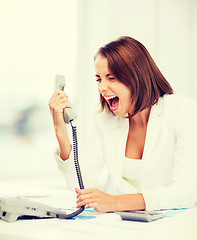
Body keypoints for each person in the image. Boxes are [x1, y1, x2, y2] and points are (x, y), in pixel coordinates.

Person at [49, 36, 197, 213]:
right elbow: (82, 187)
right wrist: (61, 131)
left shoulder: (184, 111)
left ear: (137, 77)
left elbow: (186, 191)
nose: (101, 88)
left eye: (111, 78)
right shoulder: (105, 120)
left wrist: (116, 202)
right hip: (123, 225)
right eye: (99, 79)